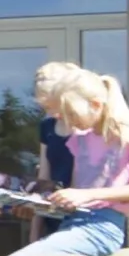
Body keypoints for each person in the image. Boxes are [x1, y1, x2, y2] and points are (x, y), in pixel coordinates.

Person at [6, 69, 129, 256]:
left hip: (103, 227)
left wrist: (86, 195)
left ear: (95, 105)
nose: (68, 121)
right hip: (71, 223)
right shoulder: (80, 138)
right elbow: (76, 192)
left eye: (72, 113)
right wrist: (36, 205)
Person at [30, 60, 80, 244]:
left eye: (53, 105)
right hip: (53, 215)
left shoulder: (86, 128)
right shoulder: (47, 126)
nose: (50, 112)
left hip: (81, 221)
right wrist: (34, 233)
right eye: (46, 107)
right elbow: (44, 178)